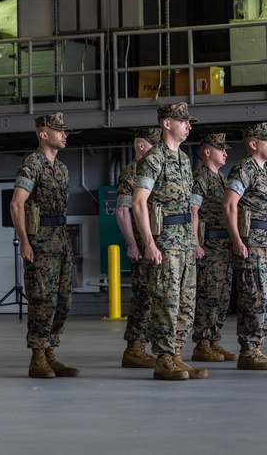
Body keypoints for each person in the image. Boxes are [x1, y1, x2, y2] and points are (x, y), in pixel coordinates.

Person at [132, 102, 207, 381]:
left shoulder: (185, 160)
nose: (188, 126)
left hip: (186, 241)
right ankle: (163, 358)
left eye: (189, 122)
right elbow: (139, 203)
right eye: (183, 121)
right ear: (166, 124)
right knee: (166, 301)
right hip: (165, 242)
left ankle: (175, 354)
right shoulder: (154, 158)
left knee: (186, 302)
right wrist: (149, 243)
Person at [10, 112, 79, 379]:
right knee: (42, 301)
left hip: (61, 241)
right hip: (40, 243)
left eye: (65, 130)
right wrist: (24, 241)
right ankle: (37, 357)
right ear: (43, 134)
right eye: (59, 130)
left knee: (63, 301)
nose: (64, 134)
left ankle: (51, 352)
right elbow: (17, 203)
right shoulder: (32, 164)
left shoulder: (62, 168)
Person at [222, 122, 267, 371]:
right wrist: (237, 240)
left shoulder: (265, 172)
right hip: (253, 243)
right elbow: (228, 205)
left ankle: (257, 347)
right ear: (252, 144)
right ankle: (248, 351)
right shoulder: (244, 169)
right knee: (254, 297)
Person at [115, 127, 161, 368]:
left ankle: (145, 346)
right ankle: (134, 348)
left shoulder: (151, 169)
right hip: (142, 248)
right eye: (153, 145)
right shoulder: (132, 173)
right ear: (141, 146)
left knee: (154, 297)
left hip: (153, 245)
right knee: (143, 297)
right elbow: (122, 210)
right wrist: (132, 244)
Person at [190, 133, 238, 363]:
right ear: (208, 152)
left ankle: (214, 340)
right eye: (221, 149)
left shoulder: (221, 178)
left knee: (222, 297)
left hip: (223, 247)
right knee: (208, 295)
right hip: (208, 245)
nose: (226, 154)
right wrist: (196, 244)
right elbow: (193, 211)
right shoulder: (200, 177)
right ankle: (202, 343)